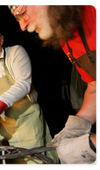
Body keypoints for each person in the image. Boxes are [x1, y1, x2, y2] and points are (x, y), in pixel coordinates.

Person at [7, 3, 97, 165]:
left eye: (23, 13)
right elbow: (95, 87)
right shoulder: (66, 40)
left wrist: (91, 146)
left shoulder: (94, 10)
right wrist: (76, 125)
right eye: (17, 19)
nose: (22, 26)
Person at [0, 24, 58, 165]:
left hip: (29, 126)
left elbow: (24, 84)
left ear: (1, 40)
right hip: (5, 131)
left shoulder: (16, 53)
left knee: (35, 163)